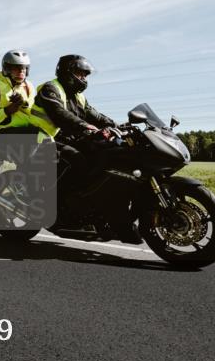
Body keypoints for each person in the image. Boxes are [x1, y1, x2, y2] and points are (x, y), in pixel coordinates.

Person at [30, 55, 141, 242]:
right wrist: (86, 127)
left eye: (86, 75)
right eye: (80, 73)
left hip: (69, 138)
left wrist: (118, 125)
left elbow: (94, 114)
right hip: (44, 138)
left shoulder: (78, 96)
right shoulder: (50, 89)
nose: (84, 78)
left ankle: (94, 209)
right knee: (77, 160)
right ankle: (57, 209)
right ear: (67, 72)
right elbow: (60, 114)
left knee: (105, 154)